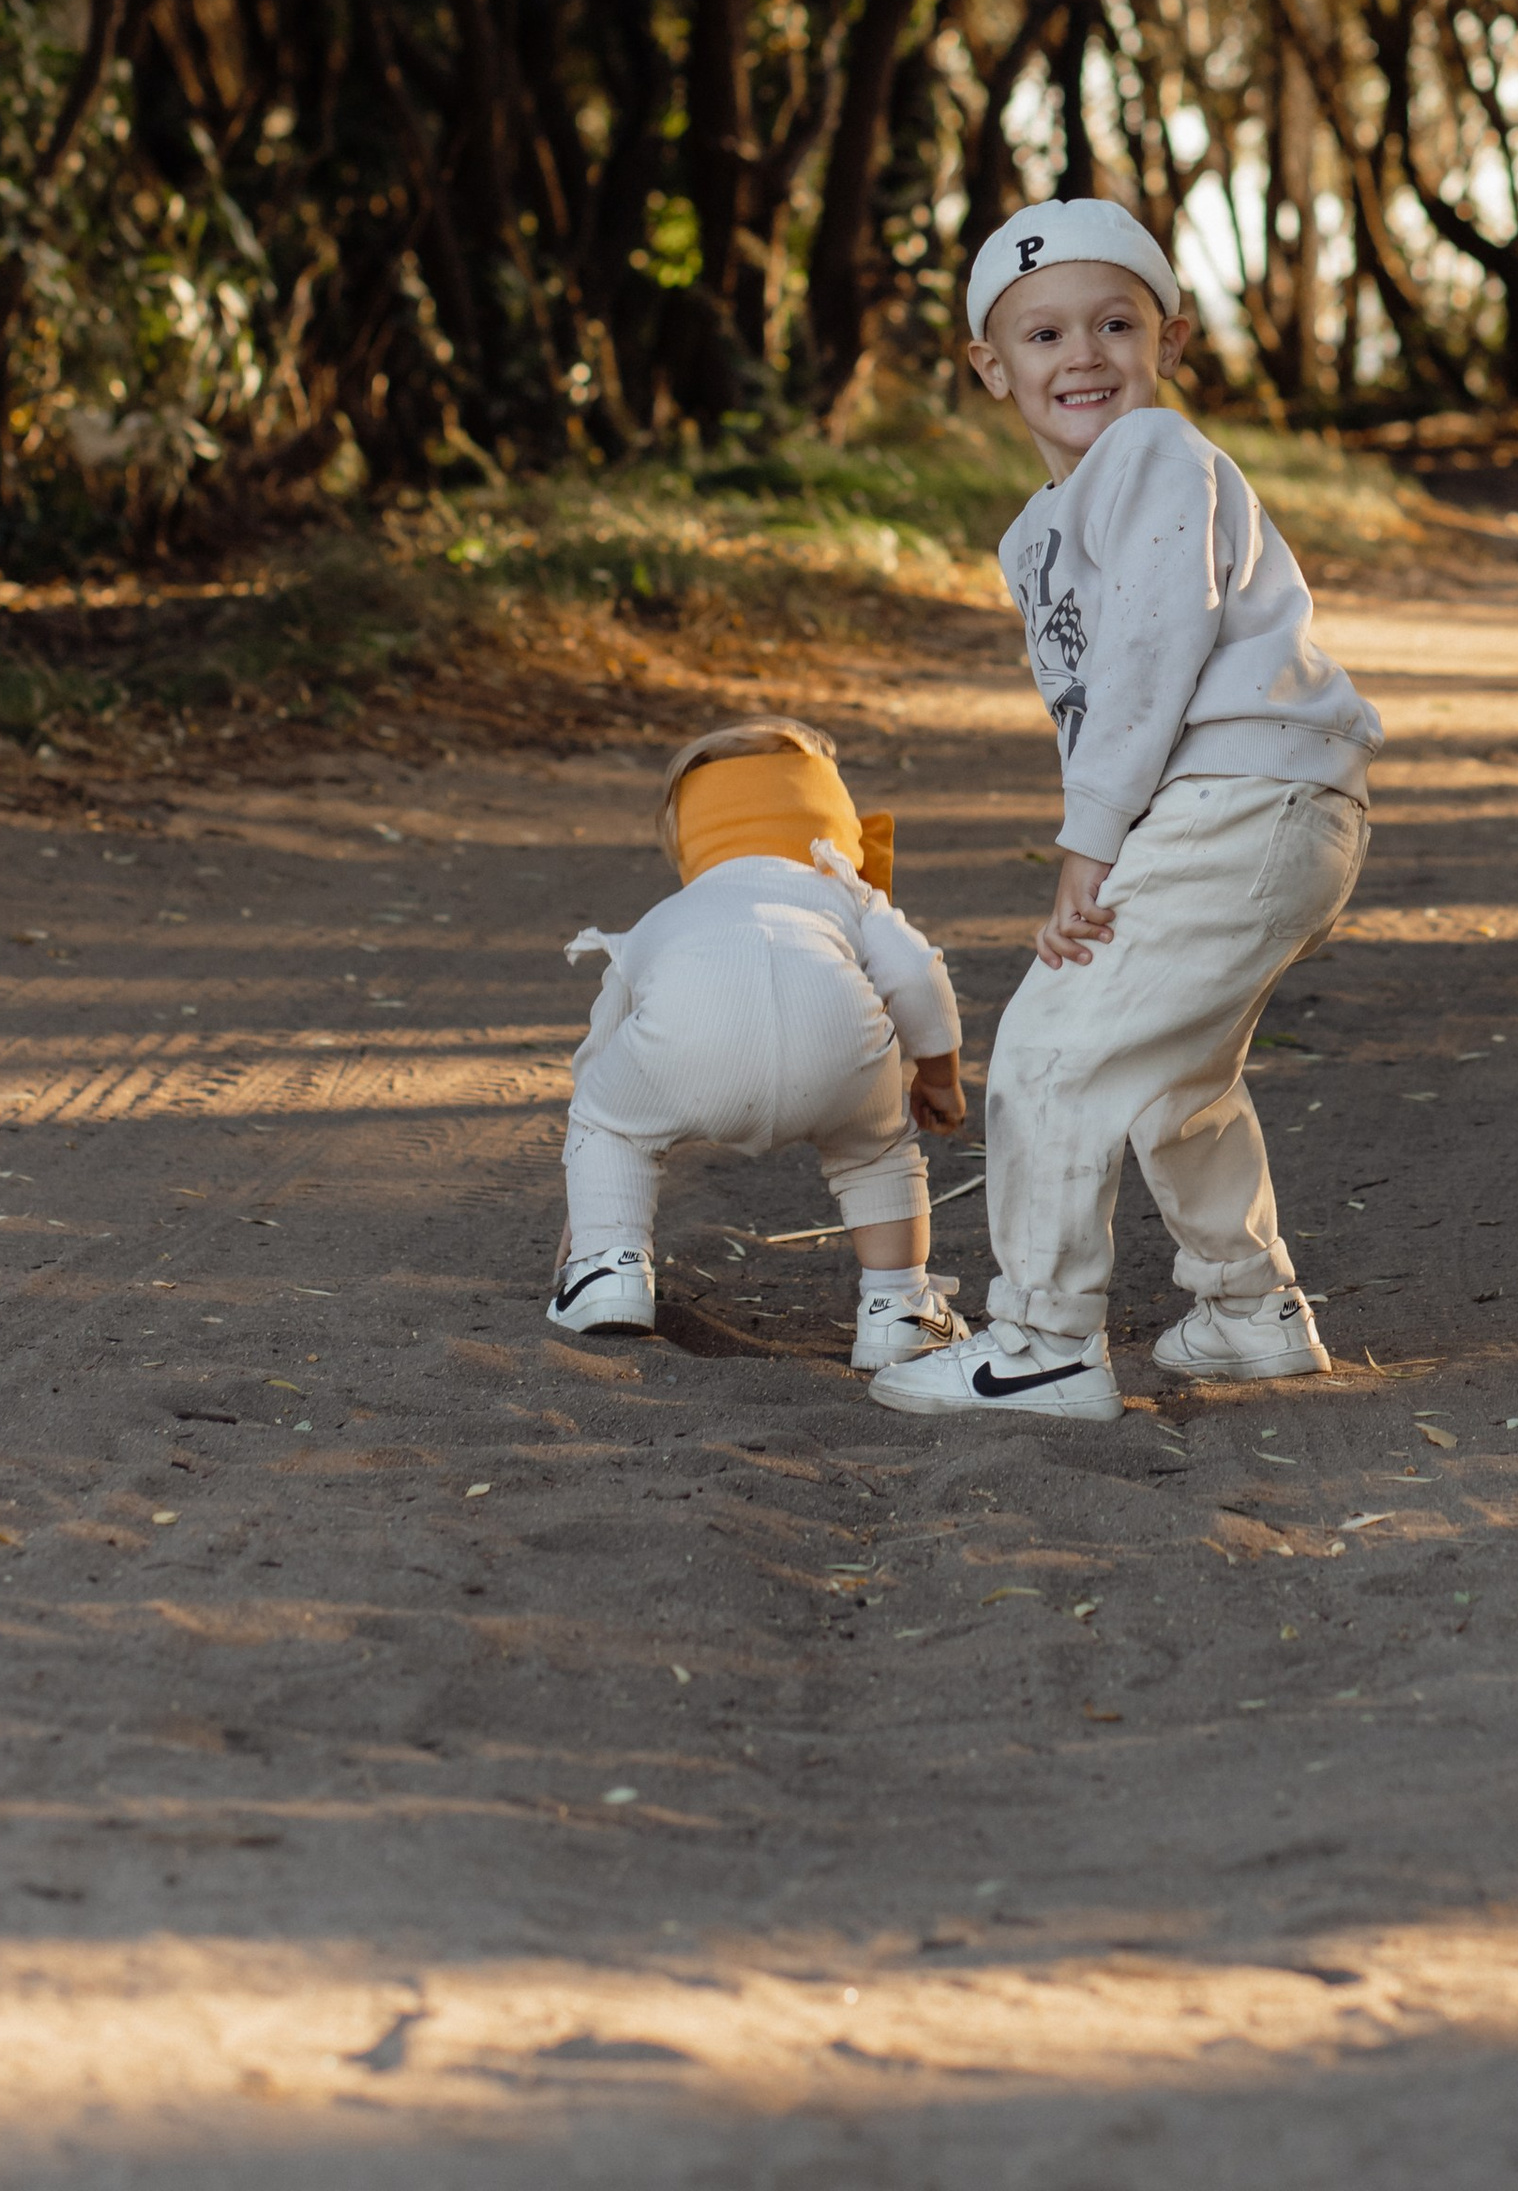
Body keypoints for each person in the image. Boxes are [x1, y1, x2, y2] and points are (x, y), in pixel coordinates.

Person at [873, 200, 1381, 1425]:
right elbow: (1092, 698)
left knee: (1052, 1050)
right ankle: (1247, 1314)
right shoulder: (1033, 533)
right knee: (1171, 1076)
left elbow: (1153, 656)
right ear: (993, 367)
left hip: (1240, 796)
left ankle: (1042, 1342)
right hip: (1242, 811)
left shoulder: (1156, 455)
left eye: (1114, 323)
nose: (1083, 355)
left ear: (1169, 338)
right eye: (1044, 336)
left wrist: (1087, 848)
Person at [549, 717, 968, 1370]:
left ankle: (608, 1269)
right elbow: (916, 973)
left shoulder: (668, 917)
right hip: (841, 1052)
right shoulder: (848, 896)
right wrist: (938, 1075)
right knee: (878, 1151)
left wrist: (593, 1193)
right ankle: (901, 1308)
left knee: (608, 1125)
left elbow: (605, 1043)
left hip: (687, 1052)